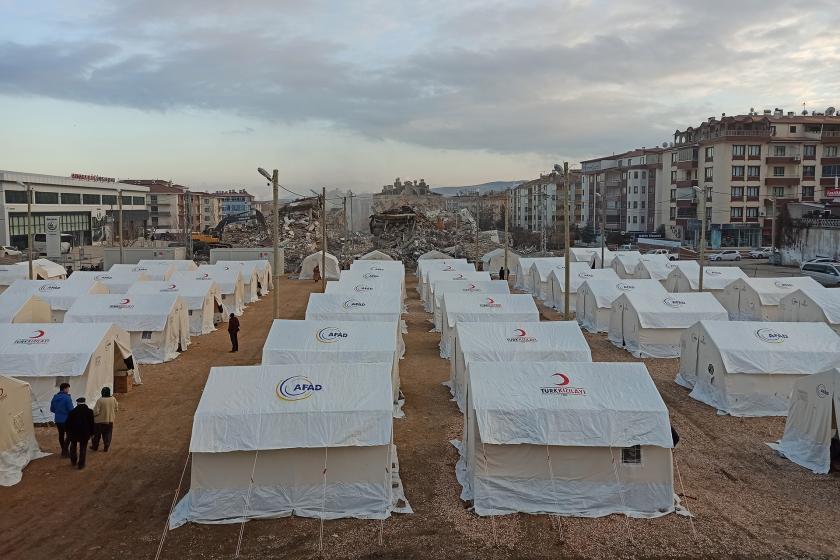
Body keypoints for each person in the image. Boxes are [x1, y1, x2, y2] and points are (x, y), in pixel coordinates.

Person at [66, 397, 95, 469]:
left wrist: (68, 432)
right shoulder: (90, 411)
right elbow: (92, 424)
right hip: (85, 433)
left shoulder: (72, 412)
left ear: (77, 403)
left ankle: (73, 460)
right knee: (83, 448)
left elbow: (68, 424)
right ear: (85, 402)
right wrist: (92, 433)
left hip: (74, 433)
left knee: (73, 446)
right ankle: (81, 464)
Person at [49, 383, 74, 458]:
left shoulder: (55, 397)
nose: (68, 390)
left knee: (61, 435)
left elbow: (52, 409)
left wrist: (58, 412)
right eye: (68, 388)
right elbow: (71, 410)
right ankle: (65, 450)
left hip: (58, 420)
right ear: (65, 389)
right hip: (66, 420)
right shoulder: (67, 398)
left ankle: (64, 450)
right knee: (69, 435)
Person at [91, 387, 118, 452]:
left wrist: (92, 415)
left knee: (97, 435)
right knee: (108, 434)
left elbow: (96, 412)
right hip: (109, 420)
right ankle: (106, 445)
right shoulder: (113, 399)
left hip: (99, 421)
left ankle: (95, 447)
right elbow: (116, 409)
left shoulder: (100, 400)